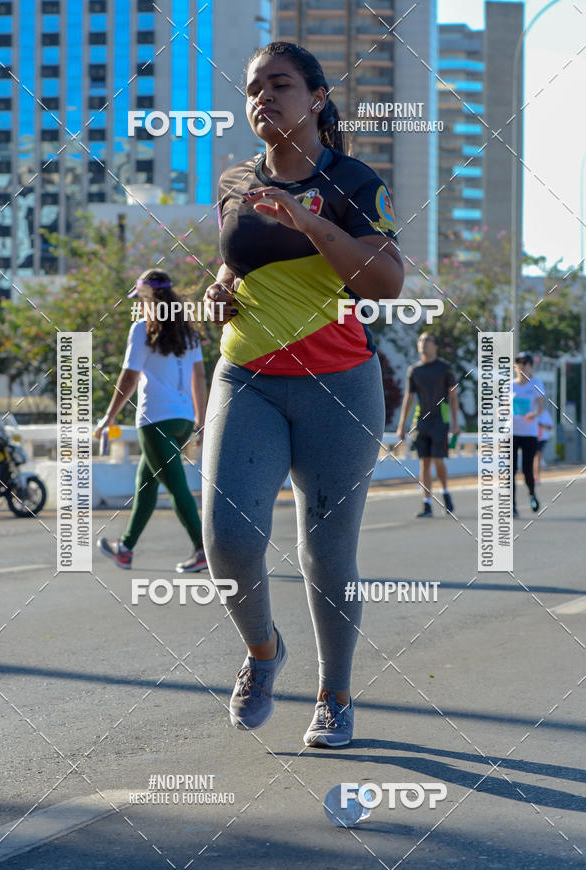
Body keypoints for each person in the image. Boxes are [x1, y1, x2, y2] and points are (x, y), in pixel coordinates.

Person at [202, 42, 404, 747]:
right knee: (228, 540)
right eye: (253, 87)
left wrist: (309, 221)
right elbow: (234, 268)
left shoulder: (353, 180)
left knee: (327, 554)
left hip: (338, 386)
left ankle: (336, 694)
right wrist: (216, 293)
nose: (263, 96)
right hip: (247, 376)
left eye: (279, 84)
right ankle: (263, 653)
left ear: (316, 97)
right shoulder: (231, 179)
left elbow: (386, 282)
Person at [94, 269, 208, 572]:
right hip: (183, 421)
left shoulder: (142, 329)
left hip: (155, 419)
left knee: (176, 486)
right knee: (146, 484)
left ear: (146, 298)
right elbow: (199, 377)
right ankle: (125, 549)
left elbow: (129, 376)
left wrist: (110, 415)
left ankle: (203, 550)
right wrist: (202, 420)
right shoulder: (188, 332)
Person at [396, 333, 459, 517]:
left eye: (427, 341)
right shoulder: (414, 371)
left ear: (435, 345)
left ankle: (446, 492)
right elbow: (409, 398)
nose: (423, 344)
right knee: (424, 463)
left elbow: (453, 396)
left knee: (438, 460)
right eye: (421, 341)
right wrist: (402, 425)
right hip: (421, 421)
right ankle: (427, 504)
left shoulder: (445, 369)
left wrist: (455, 423)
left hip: (440, 421)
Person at [512, 352, 545, 516]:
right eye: (518, 362)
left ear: (531, 366)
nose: (521, 365)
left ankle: (532, 494)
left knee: (526, 469)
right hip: (511, 433)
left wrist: (535, 414)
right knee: (510, 470)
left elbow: (541, 407)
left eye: (525, 363)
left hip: (529, 433)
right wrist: (500, 412)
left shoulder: (536, 384)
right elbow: (503, 406)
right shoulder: (509, 385)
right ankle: (511, 505)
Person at [534, 408, 554, 484]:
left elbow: (550, 426)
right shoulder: (531, 410)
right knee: (534, 458)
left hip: (542, 438)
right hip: (532, 437)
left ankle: (537, 477)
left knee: (538, 457)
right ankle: (533, 476)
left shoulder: (545, 413)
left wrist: (542, 425)